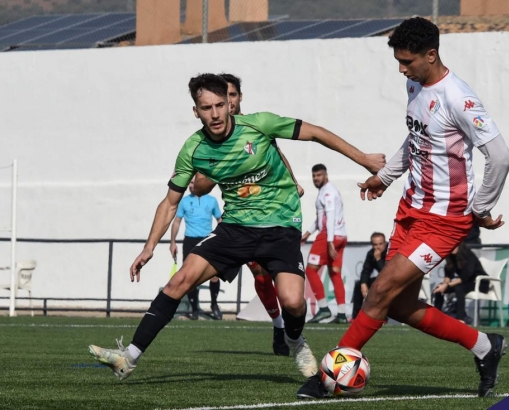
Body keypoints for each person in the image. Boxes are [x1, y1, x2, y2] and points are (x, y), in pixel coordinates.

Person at [88, 73, 385, 383]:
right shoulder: (193, 149)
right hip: (235, 228)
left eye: (220, 105)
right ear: (196, 111)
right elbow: (170, 202)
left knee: (294, 302)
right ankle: (128, 358)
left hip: (280, 225)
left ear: (230, 104)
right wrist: (149, 247)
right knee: (179, 282)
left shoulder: (260, 124)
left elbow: (316, 133)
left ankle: (295, 342)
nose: (215, 114)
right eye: (206, 108)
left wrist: (363, 159)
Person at [297, 17, 509, 399]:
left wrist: (480, 208)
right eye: (398, 61)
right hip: (411, 210)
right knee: (397, 305)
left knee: (379, 291)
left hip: (445, 221)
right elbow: (416, 137)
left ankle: (330, 374)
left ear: (431, 55)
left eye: (407, 61)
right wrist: (386, 176)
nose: (401, 68)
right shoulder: (415, 83)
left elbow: (500, 156)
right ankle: (485, 346)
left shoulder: (459, 98)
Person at [197, 72, 304, 355]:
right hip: (242, 217)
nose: (227, 103)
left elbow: (277, 153)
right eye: (223, 97)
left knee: (281, 278)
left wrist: (294, 183)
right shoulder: (212, 137)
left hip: (276, 214)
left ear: (239, 98)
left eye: (232, 96)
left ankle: (289, 329)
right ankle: (279, 325)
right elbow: (200, 184)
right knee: (259, 274)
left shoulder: (255, 127)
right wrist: (211, 172)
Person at [169, 177, 223, 320]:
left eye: (193, 182)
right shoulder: (185, 201)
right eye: (189, 183)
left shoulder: (211, 200)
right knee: (189, 276)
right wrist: (172, 242)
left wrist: (222, 238)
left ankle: (214, 304)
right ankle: (194, 310)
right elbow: (177, 221)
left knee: (214, 275)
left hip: (208, 240)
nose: (190, 185)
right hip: (190, 241)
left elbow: (220, 220)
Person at [301, 164, 349, 324]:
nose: (316, 178)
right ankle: (342, 314)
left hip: (330, 236)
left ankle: (323, 308)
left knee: (310, 270)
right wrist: (307, 234)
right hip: (341, 235)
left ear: (326, 175)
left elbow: (330, 216)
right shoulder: (328, 190)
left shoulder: (327, 192)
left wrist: (329, 242)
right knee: (335, 273)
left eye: (319, 175)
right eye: (314, 176)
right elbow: (321, 218)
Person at [432, 242, 489, 324]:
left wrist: (447, 285)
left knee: (459, 288)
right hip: (466, 282)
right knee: (439, 289)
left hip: (480, 283)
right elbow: (448, 275)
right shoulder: (451, 257)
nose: (453, 247)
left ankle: (460, 319)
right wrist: (443, 285)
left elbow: (465, 276)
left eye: (455, 245)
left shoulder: (468, 255)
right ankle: (436, 316)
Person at [351, 232, 387, 319]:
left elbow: (386, 273)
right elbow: (366, 270)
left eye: (380, 244)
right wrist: (363, 284)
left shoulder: (391, 252)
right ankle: (356, 317)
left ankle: (383, 317)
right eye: (375, 244)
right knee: (359, 285)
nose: (378, 247)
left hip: (393, 282)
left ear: (385, 243)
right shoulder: (371, 253)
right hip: (381, 281)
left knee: (380, 286)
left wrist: (378, 259)